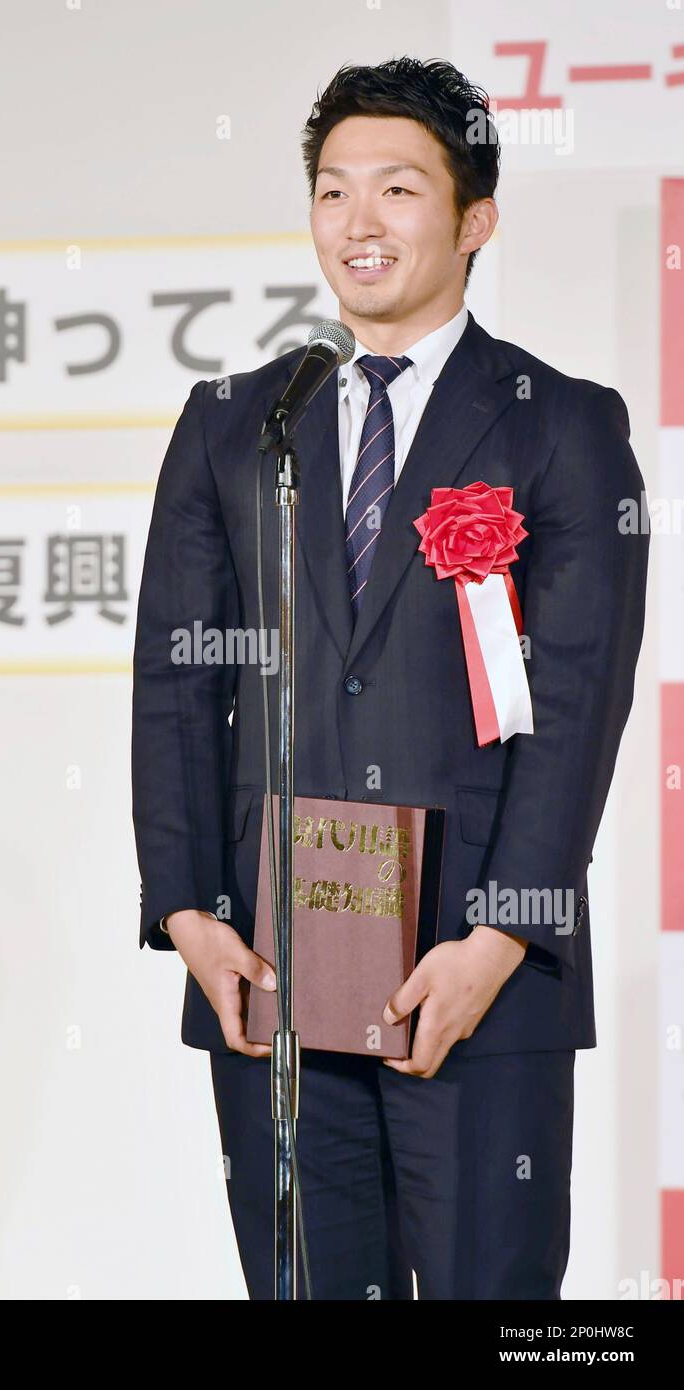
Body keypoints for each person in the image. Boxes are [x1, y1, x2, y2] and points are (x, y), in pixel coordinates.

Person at [130, 58, 649, 1300]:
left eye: (398, 189)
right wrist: (191, 912)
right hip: (274, 977)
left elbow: (576, 703)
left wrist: (500, 933)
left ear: (472, 220)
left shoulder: (558, 423)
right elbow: (175, 684)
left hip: (474, 977)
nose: (356, 223)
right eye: (330, 191)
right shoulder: (236, 421)